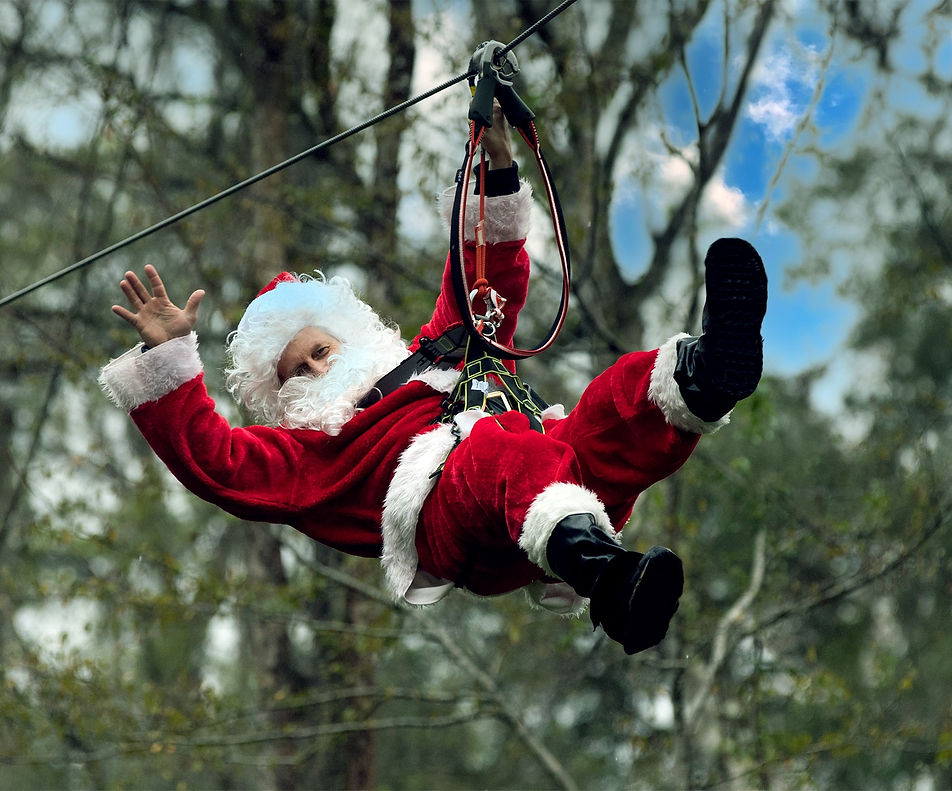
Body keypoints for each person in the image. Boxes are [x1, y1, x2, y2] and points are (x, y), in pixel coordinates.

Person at [99, 109, 767, 655]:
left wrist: (497, 166)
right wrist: (170, 361)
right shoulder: (313, 460)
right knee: (495, 455)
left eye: (319, 349)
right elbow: (218, 463)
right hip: (457, 521)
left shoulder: (439, 351)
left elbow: (485, 280)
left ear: (351, 334)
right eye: (295, 373)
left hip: (544, 471)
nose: (314, 370)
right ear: (283, 402)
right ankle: (608, 578)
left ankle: (708, 373)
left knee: (609, 407)